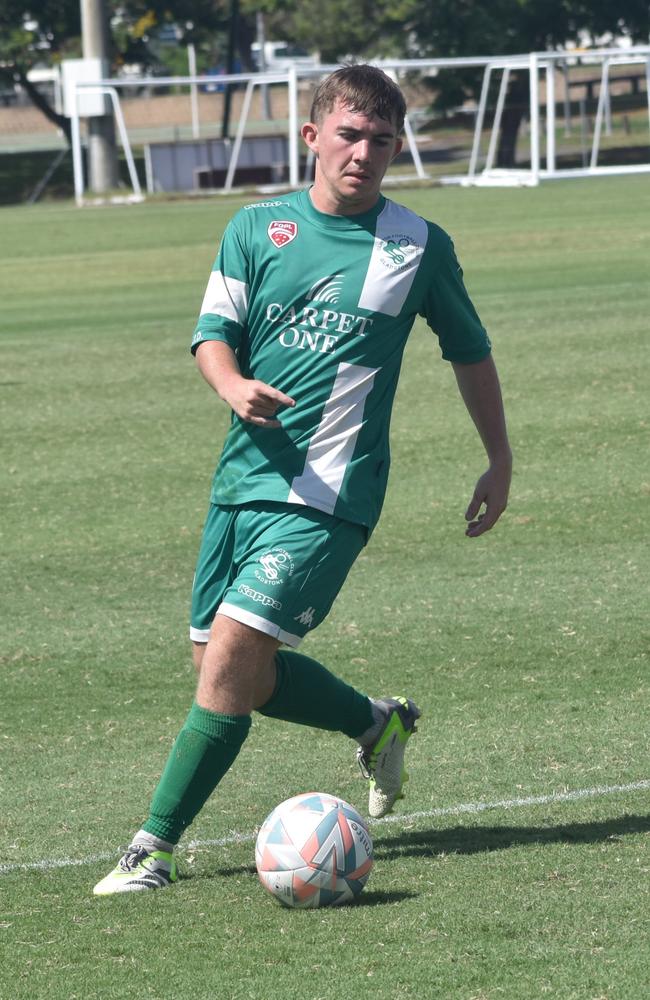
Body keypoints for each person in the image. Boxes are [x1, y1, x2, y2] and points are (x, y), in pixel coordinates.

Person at [93, 64, 512, 895]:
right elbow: (214, 334)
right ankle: (375, 722)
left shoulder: (418, 246)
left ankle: (153, 848)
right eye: (350, 135)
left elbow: (469, 350)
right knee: (224, 666)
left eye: (382, 140)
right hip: (242, 483)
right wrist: (231, 384)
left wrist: (499, 458)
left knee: (232, 664)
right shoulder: (255, 228)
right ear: (312, 137)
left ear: (397, 148)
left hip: (331, 493)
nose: (364, 153)